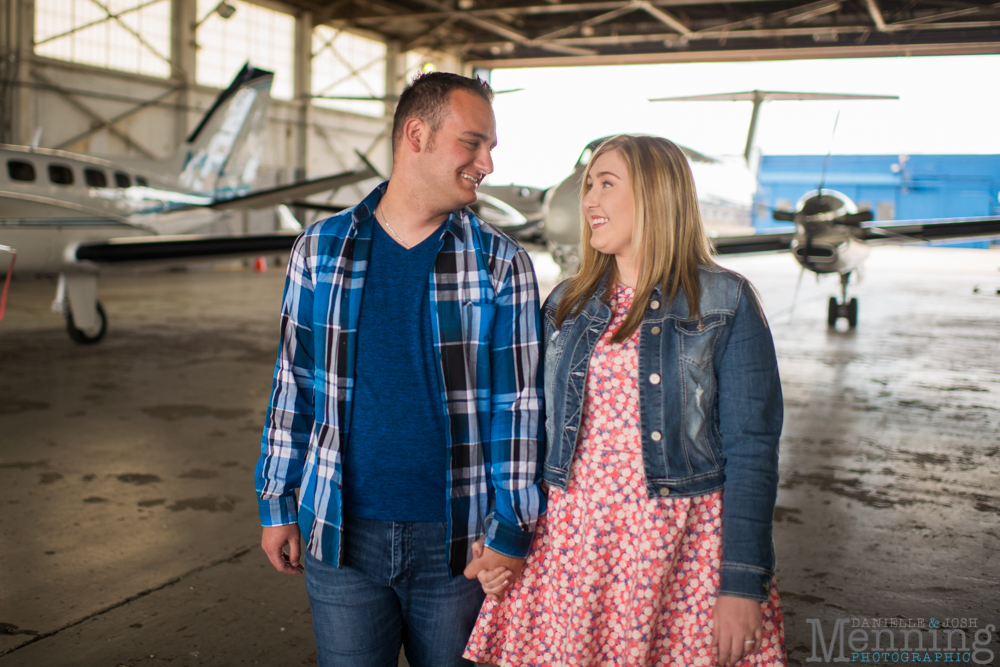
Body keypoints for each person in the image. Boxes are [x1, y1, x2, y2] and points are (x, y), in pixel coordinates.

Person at [254, 72, 545, 667]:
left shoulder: (501, 263)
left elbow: (516, 407)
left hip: (461, 543)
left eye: (490, 146)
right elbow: (296, 383)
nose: (487, 162)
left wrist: (512, 528)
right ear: (417, 134)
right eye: (473, 142)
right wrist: (277, 502)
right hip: (340, 533)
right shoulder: (319, 249)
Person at [464, 134, 786, 667]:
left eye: (606, 184)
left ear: (658, 195)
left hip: (682, 554)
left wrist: (742, 584)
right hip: (570, 550)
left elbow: (753, 453)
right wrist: (504, 539)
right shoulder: (566, 303)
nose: (589, 199)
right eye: (588, 184)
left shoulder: (725, 301)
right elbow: (529, 433)